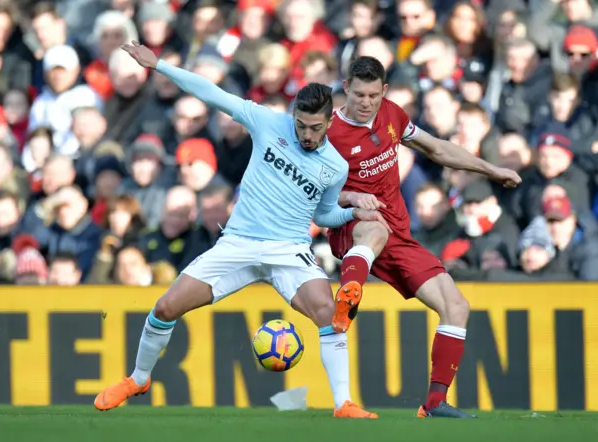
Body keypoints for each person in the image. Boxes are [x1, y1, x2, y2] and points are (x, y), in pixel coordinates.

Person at [93, 42, 389, 419]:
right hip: (237, 243)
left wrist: (353, 213)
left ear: (330, 122)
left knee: (330, 314)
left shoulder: (335, 166)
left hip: (289, 250)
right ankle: (138, 379)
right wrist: (161, 66)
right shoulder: (267, 121)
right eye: (300, 125)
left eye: (315, 128)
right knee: (165, 307)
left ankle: (343, 403)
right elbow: (211, 93)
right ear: (293, 115)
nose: (307, 135)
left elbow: (325, 214)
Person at [326, 56, 522, 418]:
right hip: (350, 224)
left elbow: (438, 148)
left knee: (456, 306)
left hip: (398, 233)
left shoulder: (392, 115)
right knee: (373, 225)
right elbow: (312, 192)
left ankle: (434, 403)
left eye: (372, 95)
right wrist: (350, 197)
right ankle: (348, 294)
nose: (365, 103)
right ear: (345, 89)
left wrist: (490, 170)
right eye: (357, 95)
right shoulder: (329, 133)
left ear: (383, 91)